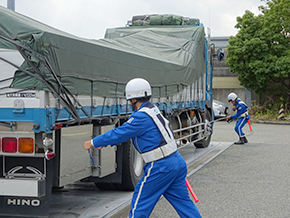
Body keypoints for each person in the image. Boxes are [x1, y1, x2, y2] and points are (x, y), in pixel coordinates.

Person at [84, 78, 202, 218]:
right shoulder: (153, 110)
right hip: (176, 162)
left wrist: (94, 142)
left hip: (160, 167)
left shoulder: (141, 117)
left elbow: (120, 133)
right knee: (185, 206)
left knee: (140, 205)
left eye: (129, 100)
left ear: (133, 99)